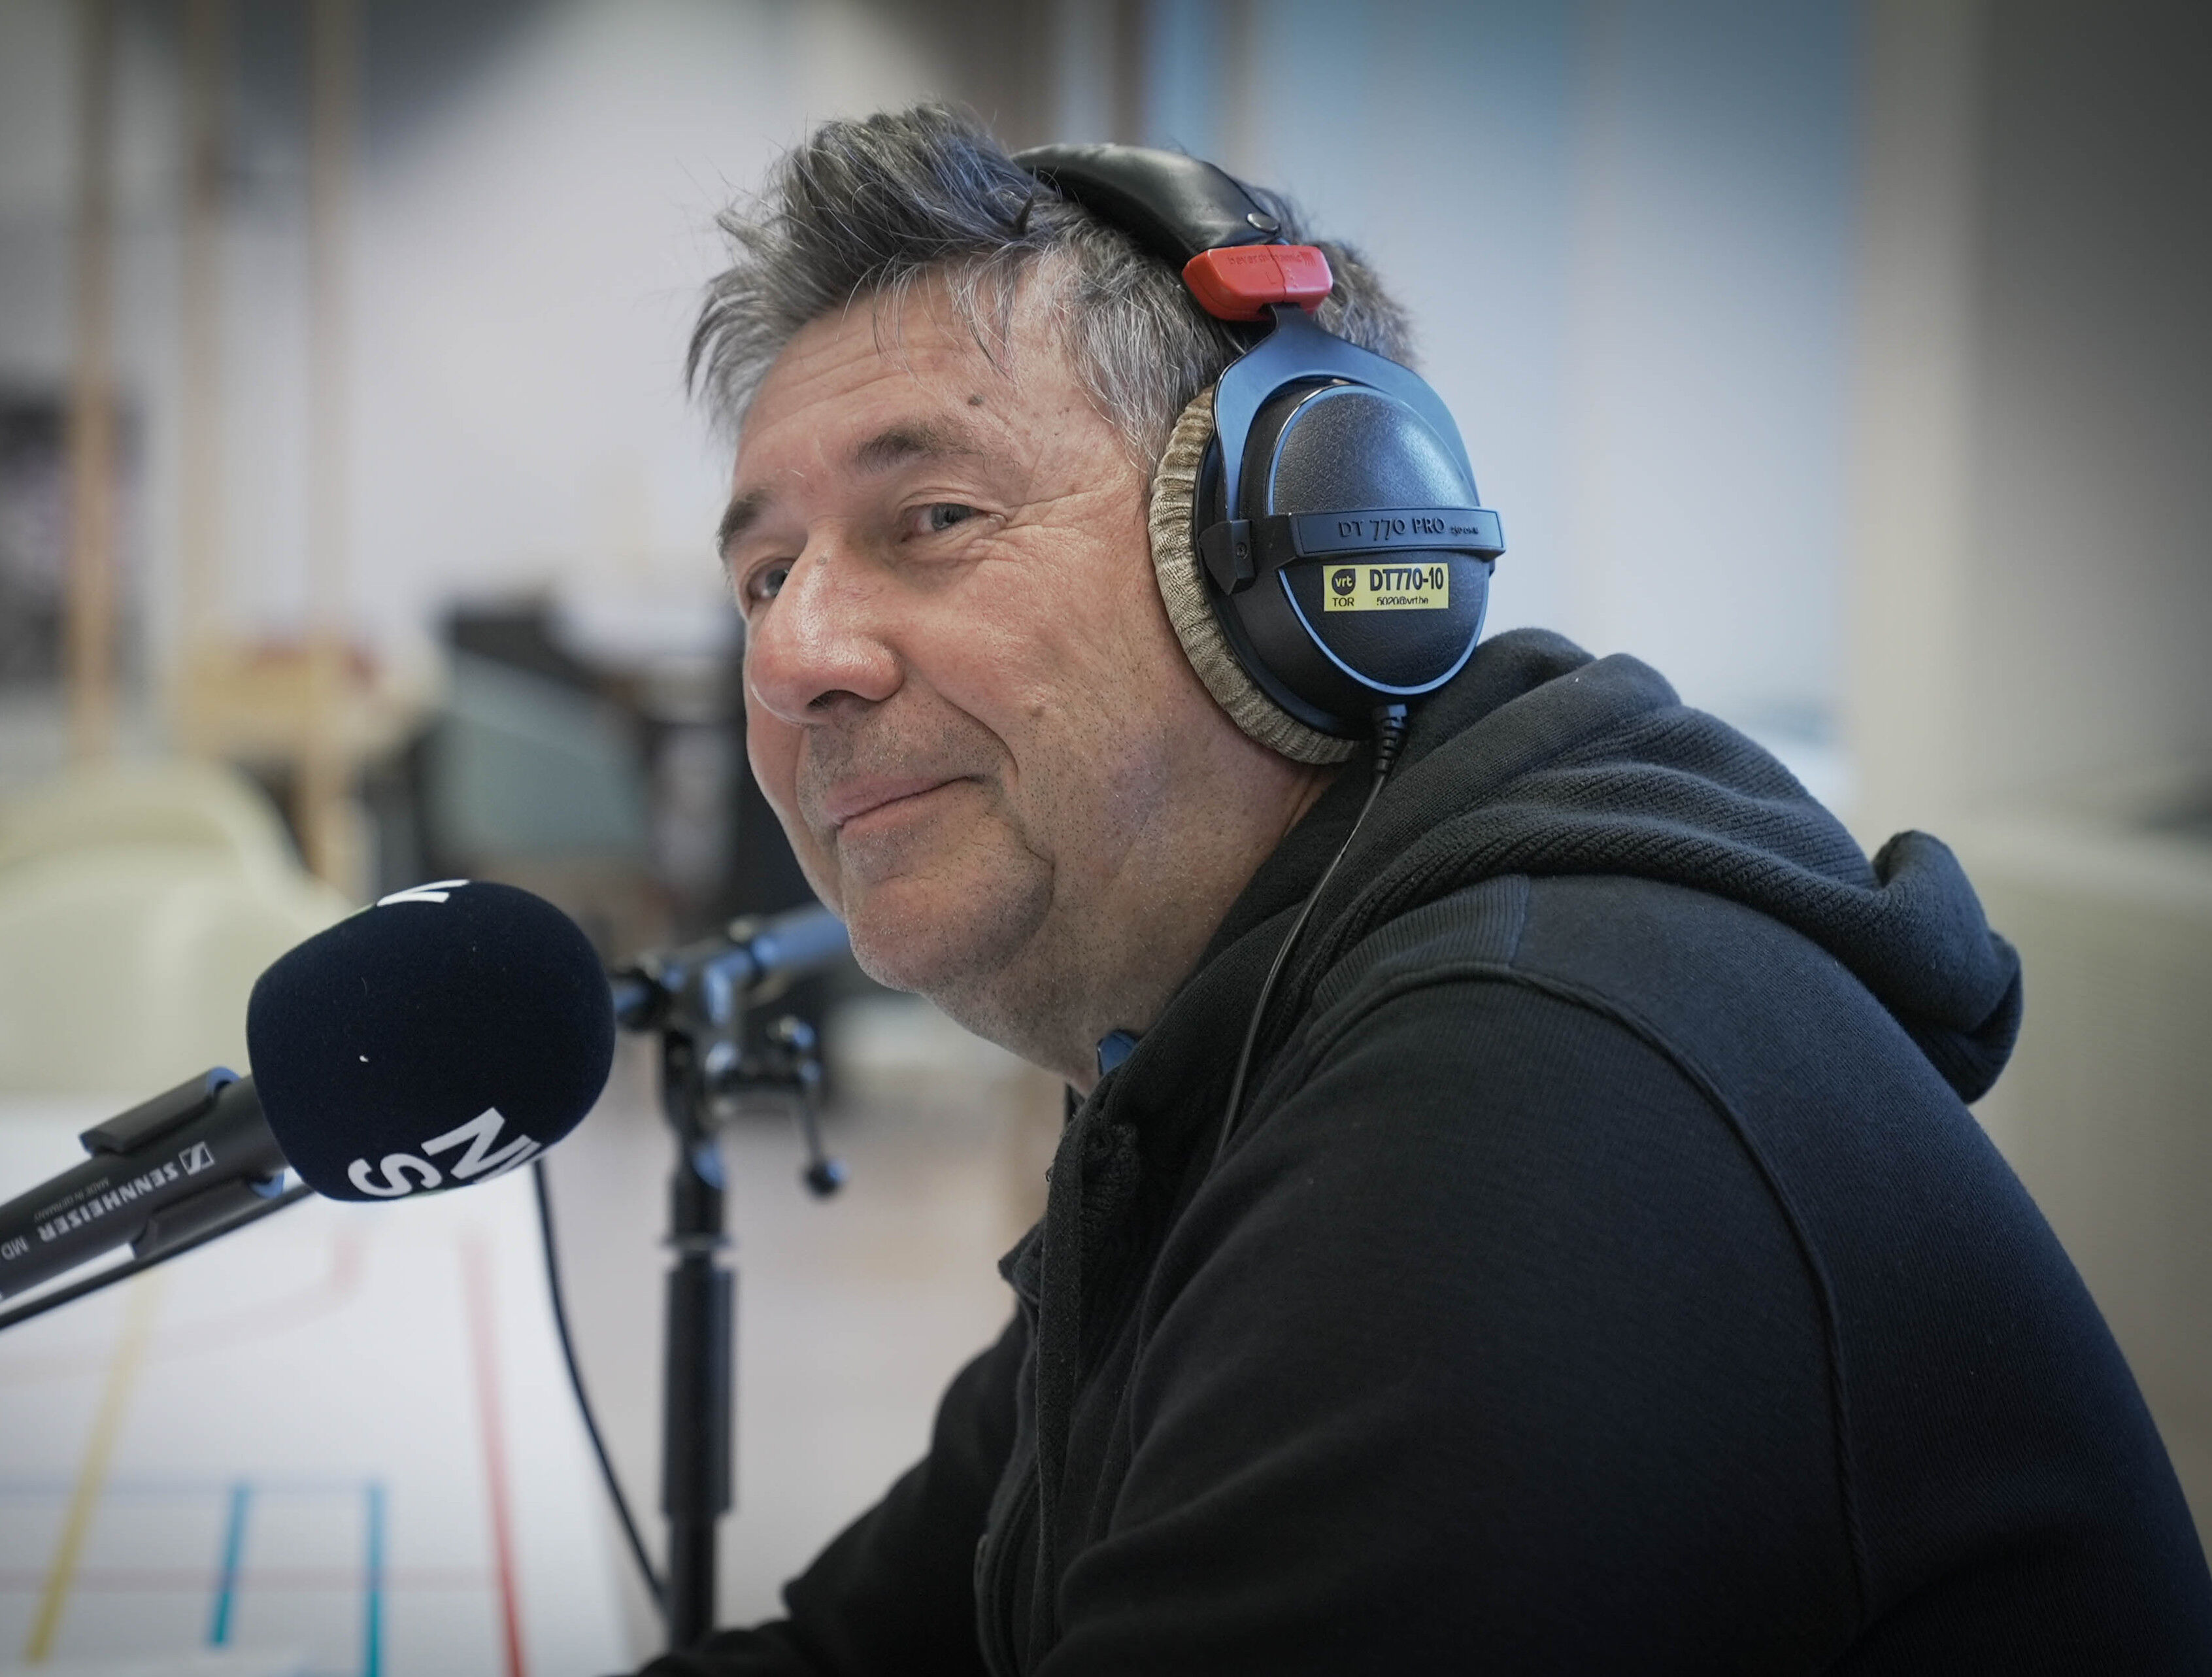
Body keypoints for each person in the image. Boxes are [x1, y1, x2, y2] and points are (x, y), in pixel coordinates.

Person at [647, 104, 2212, 1674]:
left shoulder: (1519, 1098)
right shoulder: (1212, 1056)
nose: (791, 658)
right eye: (764, 577)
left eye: (935, 518)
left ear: (1308, 549)